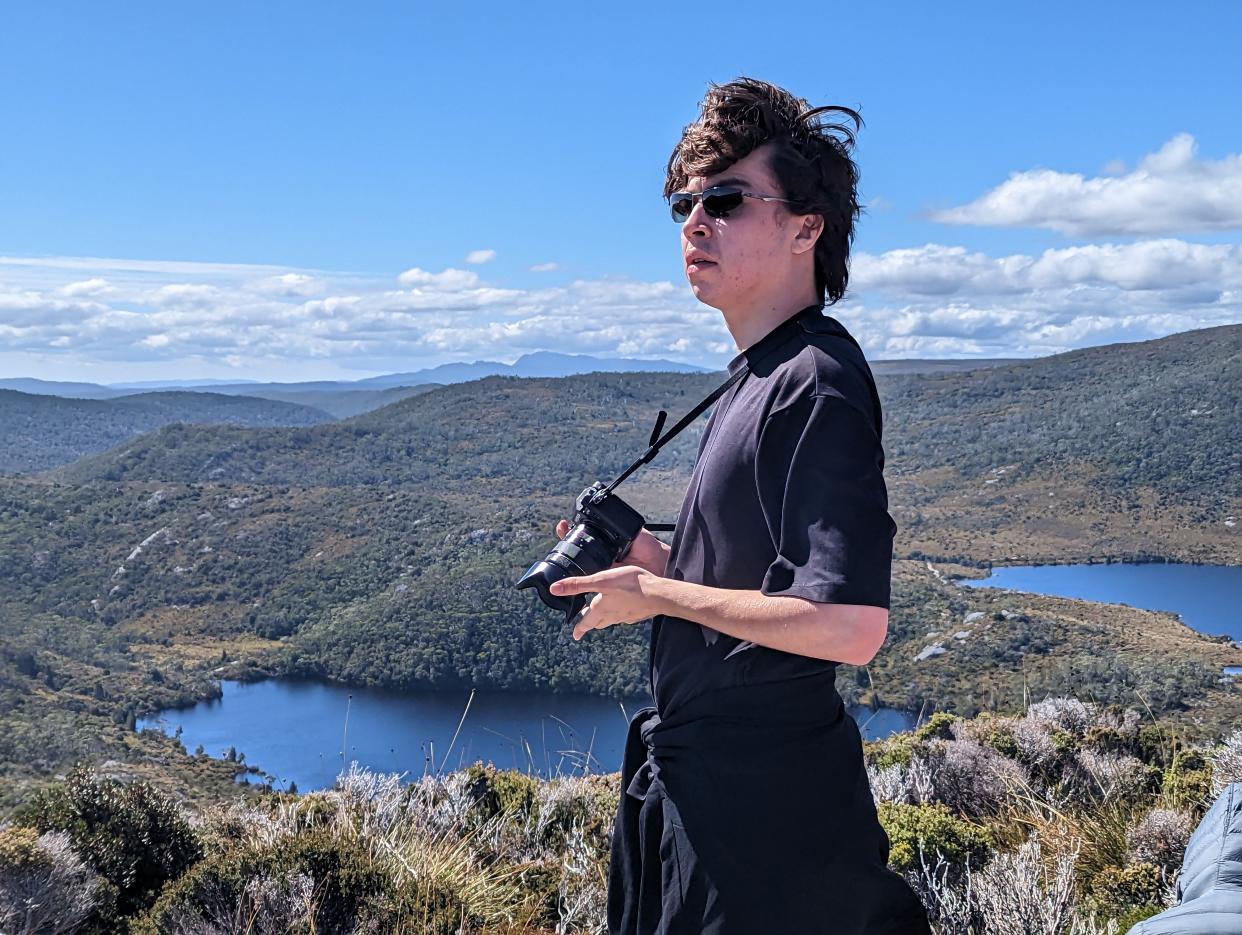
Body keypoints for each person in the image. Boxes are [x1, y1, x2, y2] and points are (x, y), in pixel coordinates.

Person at [548, 77, 932, 934]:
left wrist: (658, 598)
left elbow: (848, 623)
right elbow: (764, 579)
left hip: (766, 830)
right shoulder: (763, 373)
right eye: (686, 202)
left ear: (806, 227)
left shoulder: (817, 382)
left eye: (726, 198)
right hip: (718, 803)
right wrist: (662, 567)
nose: (695, 222)